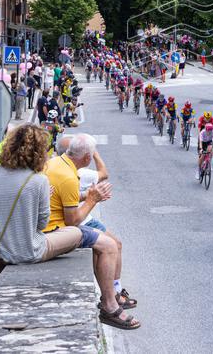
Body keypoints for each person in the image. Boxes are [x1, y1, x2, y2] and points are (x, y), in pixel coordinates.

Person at [43, 133, 139, 328]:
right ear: (88, 158)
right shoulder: (69, 176)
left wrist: (86, 195)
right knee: (110, 246)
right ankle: (109, 306)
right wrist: (93, 200)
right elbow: (73, 221)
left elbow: (64, 197)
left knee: (101, 241)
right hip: (55, 230)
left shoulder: (56, 163)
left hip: (47, 224)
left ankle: (111, 297)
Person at [0, 125, 83, 270]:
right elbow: (42, 224)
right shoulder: (39, 180)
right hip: (23, 252)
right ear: (40, 151)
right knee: (76, 233)